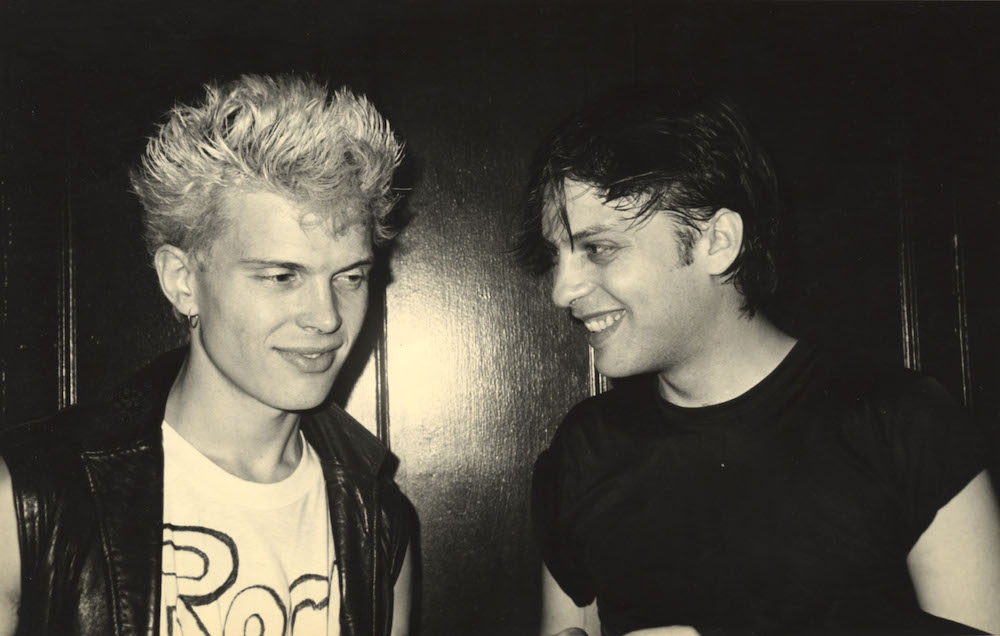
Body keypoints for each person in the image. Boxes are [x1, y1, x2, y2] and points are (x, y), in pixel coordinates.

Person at [515, 88, 1000, 636]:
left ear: (717, 241)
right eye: (557, 255)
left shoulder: (904, 424)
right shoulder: (584, 448)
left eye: (598, 248)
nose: (562, 289)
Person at [0, 74, 412, 635]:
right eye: (282, 275)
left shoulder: (379, 520)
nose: (328, 317)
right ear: (182, 280)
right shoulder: (29, 498)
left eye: (350, 276)